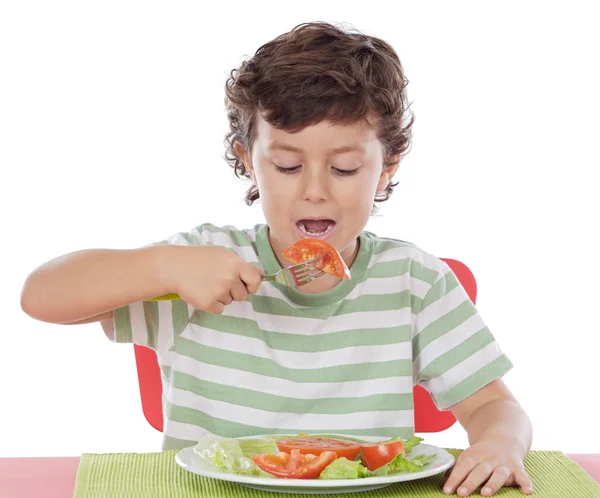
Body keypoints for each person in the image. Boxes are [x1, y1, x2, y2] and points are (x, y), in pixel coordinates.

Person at [20, 21, 533, 497]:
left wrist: (499, 444)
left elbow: (493, 406)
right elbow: (41, 297)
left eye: (346, 168)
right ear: (249, 162)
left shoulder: (414, 282)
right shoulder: (198, 264)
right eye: (287, 165)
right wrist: (163, 267)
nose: (314, 191)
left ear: (385, 168)